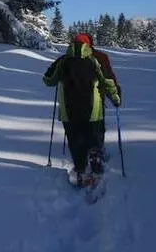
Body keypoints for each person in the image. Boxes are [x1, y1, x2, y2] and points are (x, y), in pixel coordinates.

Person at [43, 33, 121, 186]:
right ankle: (95, 166)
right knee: (94, 137)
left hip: (68, 111)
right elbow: (108, 81)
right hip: (93, 110)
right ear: (89, 44)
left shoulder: (63, 60)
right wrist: (116, 99)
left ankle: (80, 170)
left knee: (75, 140)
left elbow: (48, 80)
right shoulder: (98, 58)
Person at [85, 33, 122, 163]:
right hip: (96, 98)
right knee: (97, 126)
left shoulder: (69, 58)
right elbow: (108, 77)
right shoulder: (101, 57)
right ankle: (96, 152)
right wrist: (115, 93)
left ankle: (81, 152)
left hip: (73, 100)